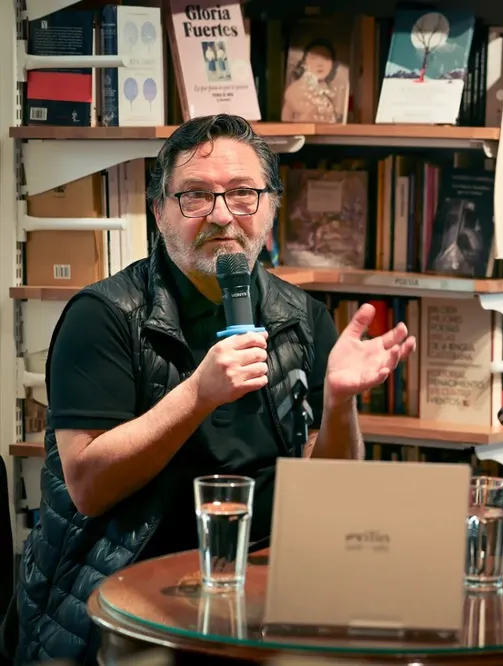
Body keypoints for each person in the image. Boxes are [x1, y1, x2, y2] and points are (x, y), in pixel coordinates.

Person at [6, 114, 416, 666]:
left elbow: (329, 499)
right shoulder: (104, 316)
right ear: (160, 212)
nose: (223, 215)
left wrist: (342, 403)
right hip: (123, 603)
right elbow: (87, 485)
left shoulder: (302, 318)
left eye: (243, 194)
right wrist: (199, 392)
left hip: (266, 597)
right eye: (196, 196)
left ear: (269, 207)